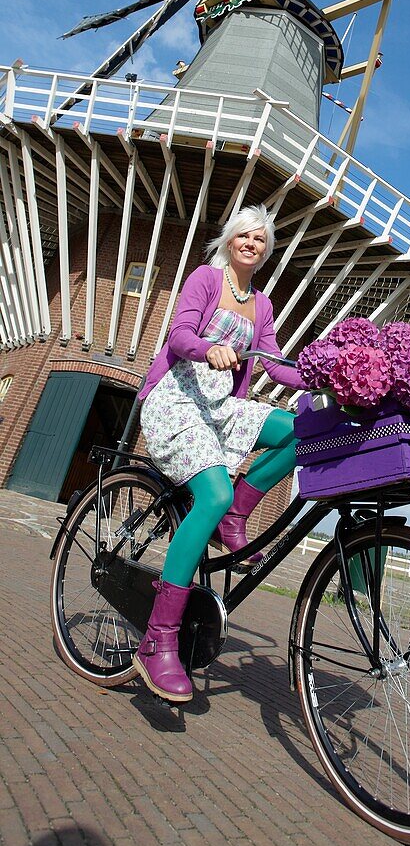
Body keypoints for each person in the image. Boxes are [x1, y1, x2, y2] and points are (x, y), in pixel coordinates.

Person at [132, 204, 305, 703]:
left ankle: (239, 509)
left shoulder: (264, 305)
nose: (251, 243)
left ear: (267, 251)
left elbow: (274, 365)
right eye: (244, 235)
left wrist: (321, 375)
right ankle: (157, 640)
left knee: (302, 431)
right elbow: (180, 333)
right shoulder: (206, 278)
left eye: (260, 239)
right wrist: (208, 349)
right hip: (179, 395)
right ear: (230, 240)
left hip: (222, 405)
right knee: (210, 493)